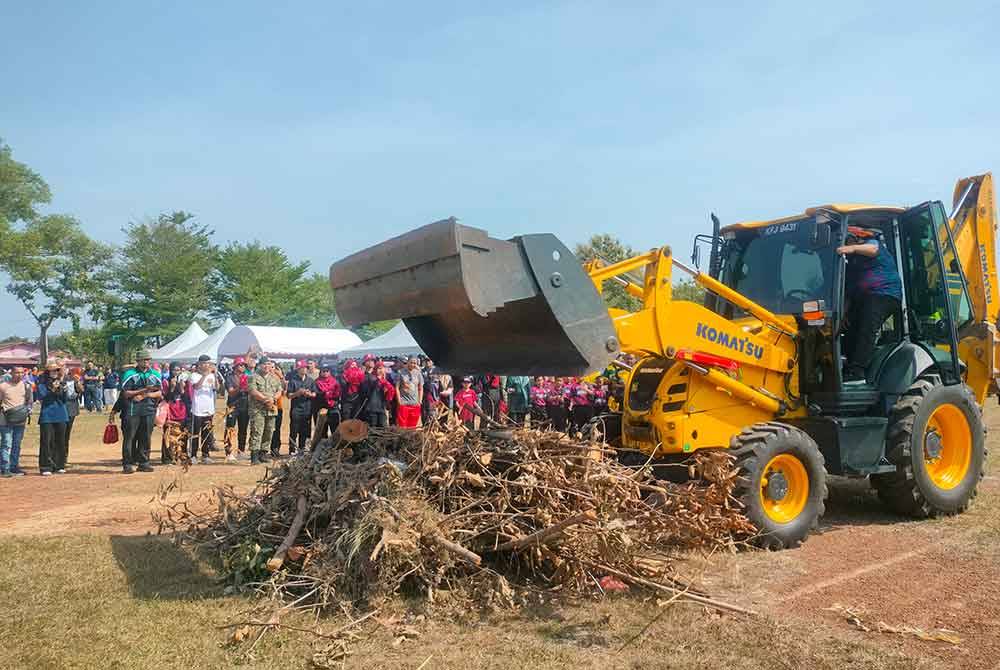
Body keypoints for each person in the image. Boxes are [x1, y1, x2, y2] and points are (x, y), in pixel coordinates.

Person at [839, 227, 904, 382]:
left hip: (885, 294)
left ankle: (857, 371)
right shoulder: (853, 266)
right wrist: (843, 315)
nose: (846, 244)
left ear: (856, 239)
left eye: (848, 241)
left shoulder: (871, 244)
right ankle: (847, 364)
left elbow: (873, 249)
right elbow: (849, 294)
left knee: (867, 326)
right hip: (866, 298)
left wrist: (852, 248)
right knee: (849, 328)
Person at [119, 350, 162, 474]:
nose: (147, 362)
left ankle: (144, 462)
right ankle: (127, 463)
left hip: (149, 409)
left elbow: (159, 392)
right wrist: (142, 390)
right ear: (138, 361)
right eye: (144, 360)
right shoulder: (130, 374)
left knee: (146, 437)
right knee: (129, 437)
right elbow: (126, 393)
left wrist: (147, 394)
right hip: (133, 409)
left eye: (148, 360)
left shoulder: (155, 374)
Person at [36, 362, 70, 476]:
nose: (54, 372)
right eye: (52, 370)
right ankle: (46, 466)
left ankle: (59, 465)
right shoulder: (42, 383)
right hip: (47, 415)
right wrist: (52, 389)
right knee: (46, 442)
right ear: (47, 372)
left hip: (61, 414)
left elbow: (65, 399)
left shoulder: (62, 382)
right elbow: (41, 396)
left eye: (56, 370)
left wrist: (62, 389)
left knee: (60, 441)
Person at [248, 357, 282, 464]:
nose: (267, 366)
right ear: (260, 365)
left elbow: (279, 390)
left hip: (271, 409)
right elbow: (252, 391)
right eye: (265, 364)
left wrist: (274, 398)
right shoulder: (253, 377)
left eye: (269, 364)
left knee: (269, 431)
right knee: (257, 431)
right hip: (258, 409)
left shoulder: (274, 378)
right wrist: (265, 399)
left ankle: (263, 454)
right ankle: (254, 456)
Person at [0, 367, 32, 477]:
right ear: (12, 373)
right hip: (5, 419)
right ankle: (5, 468)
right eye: (17, 372)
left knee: (17, 444)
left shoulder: (26, 386)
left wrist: (27, 411)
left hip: (20, 419)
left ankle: (14, 466)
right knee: (6, 443)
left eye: (21, 372)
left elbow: (29, 401)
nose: (19, 374)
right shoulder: (3, 386)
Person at [188, 355, 219, 464]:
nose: (207, 365)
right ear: (200, 364)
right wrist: (205, 375)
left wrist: (215, 376)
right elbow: (196, 387)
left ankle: (205, 455)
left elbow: (216, 388)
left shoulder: (212, 375)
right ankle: (193, 455)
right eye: (205, 363)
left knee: (207, 433)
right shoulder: (194, 375)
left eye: (209, 363)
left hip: (209, 409)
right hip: (197, 409)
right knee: (195, 433)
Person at [287, 360, 318, 454]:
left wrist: (310, 394)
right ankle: (292, 449)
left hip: (307, 408)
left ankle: (302, 448)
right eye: (302, 368)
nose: (304, 369)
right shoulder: (293, 380)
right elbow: (289, 395)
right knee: (294, 429)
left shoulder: (310, 380)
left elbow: (315, 393)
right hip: (296, 408)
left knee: (304, 429)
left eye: (306, 368)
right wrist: (298, 393)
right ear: (298, 369)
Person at [161, 363, 189, 464]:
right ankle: (167, 458)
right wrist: (172, 388)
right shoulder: (166, 382)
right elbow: (166, 398)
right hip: (170, 410)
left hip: (181, 409)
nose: (176, 372)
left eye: (178, 370)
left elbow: (186, 398)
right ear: (170, 371)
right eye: (174, 370)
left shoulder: (183, 381)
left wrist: (182, 389)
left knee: (182, 433)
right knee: (168, 434)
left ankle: (181, 455)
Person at [225, 357, 251, 458]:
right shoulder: (230, 377)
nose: (243, 367)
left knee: (243, 429)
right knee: (230, 429)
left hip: (245, 406)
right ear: (235, 366)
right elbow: (231, 392)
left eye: (244, 365)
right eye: (241, 365)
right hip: (233, 406)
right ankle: (228, 452)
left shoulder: (247, 377)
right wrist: (240, 387)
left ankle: (241, 451)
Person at [313, 364, 341, 441]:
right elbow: (316, 395)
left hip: (333, 408)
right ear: (320, 372)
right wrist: (325, 394)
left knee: (335, 431)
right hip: (321, 408)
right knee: (322, 432)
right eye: (323, 371)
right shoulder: (316, 382)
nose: (325, 373)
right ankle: (323, 450)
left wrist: (332, 398)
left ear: (330, 372)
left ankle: (334, 449)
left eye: (327, 371)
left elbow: (338, 395)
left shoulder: (335, 382)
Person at [361, 361, 395, 427]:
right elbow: (366, 391)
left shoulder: (385, 379)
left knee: (383, 427)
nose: (380, 370)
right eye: (378, 368)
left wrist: (388, 401)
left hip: (381, 408)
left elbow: (391, 390)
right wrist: (379, 381)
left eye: (382, 368)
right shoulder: (370, 378)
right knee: (373, 428)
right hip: (372, 408)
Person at [395, 357, 424, 429]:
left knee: (412, 426)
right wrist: (399, 401)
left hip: (415, 404)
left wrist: (420, 401)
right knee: (403, 426)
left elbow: (420, 388)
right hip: (404, 403)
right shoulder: (400, 372)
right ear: (407, 362)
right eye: (411, 362)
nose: (413, 364)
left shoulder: (418, 373)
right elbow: (397, 387)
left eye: (415, 363)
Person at [63, 368, 83, 469]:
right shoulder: (61, 381)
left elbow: (81, 390)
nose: (69, 374)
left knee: (66, 434)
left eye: (71, 373)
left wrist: (77, 382)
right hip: (62, 408)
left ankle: (64, 458)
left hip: (71, 409)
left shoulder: (75, 381)